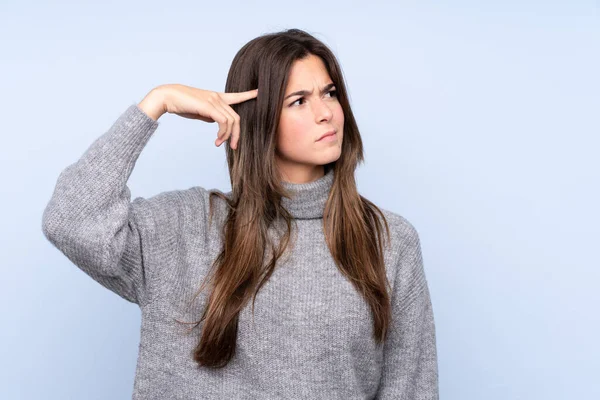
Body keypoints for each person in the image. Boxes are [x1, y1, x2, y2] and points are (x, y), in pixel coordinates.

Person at [41, 28, 439, 399]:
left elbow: (411, 388)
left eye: (330, 93)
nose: (326, 113)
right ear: (258, 115)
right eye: (299, 100)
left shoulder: (389, 240)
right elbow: (71, 220)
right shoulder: (185, 227)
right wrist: (156, 103)